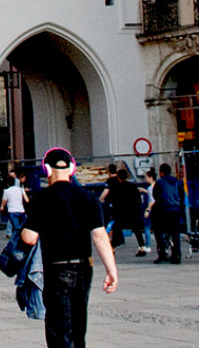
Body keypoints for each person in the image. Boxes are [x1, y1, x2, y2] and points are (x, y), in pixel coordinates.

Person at [21, 148, 118, 348]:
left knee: (58, 328)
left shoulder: (41, 198)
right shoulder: (88, 197)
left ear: (46, 170)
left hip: (56, 269)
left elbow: (29, 238)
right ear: (72, 168)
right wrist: (111, 270)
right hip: (84, 269)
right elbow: (99, 236)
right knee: (78, 325)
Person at [100, 169, 146, 256]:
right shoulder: (133, 187)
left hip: (120, 214)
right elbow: (138, 201)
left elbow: (109, 200)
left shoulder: (116, 188)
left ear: (118, 177)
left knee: (117, 228)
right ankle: (142, 248)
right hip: (133, 213)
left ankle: (113, 247)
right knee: (137, 231)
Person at [150, 163, 183, 264]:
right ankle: (177, 255)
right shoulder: (177, 182)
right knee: (175, 234)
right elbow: (182, 194)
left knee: (158, 231)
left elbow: (156, 196)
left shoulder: (160, 182)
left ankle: (162, 253)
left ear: (161, 172)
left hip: (164, 211)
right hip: (176, 210)